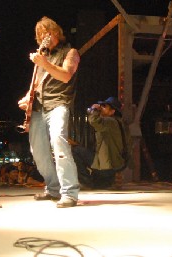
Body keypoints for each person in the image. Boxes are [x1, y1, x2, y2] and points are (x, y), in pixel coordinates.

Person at [18, 16, 80, 208]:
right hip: (38, 108)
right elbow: (36, 84)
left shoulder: (70, 52)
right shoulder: (41, 59)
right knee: (38, 152)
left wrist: (44, 63)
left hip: (58, 104)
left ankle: (69, 193)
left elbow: (66, 75)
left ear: (56, 33)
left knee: (59, 142)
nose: (44, 36)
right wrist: (27, 97)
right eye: (41, 33)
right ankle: (53, 188)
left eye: (48, 31)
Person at [71, 97, 128, 189]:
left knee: (75, 151)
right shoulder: (118, 123)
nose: (101, 108)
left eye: (104, 106)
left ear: (112, 112)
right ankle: (104, 182)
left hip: (108, 167)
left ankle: (86, 183)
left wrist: (94, 109)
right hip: (113, 166)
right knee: (99, 185)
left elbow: (94, 121)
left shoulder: (110, 122)